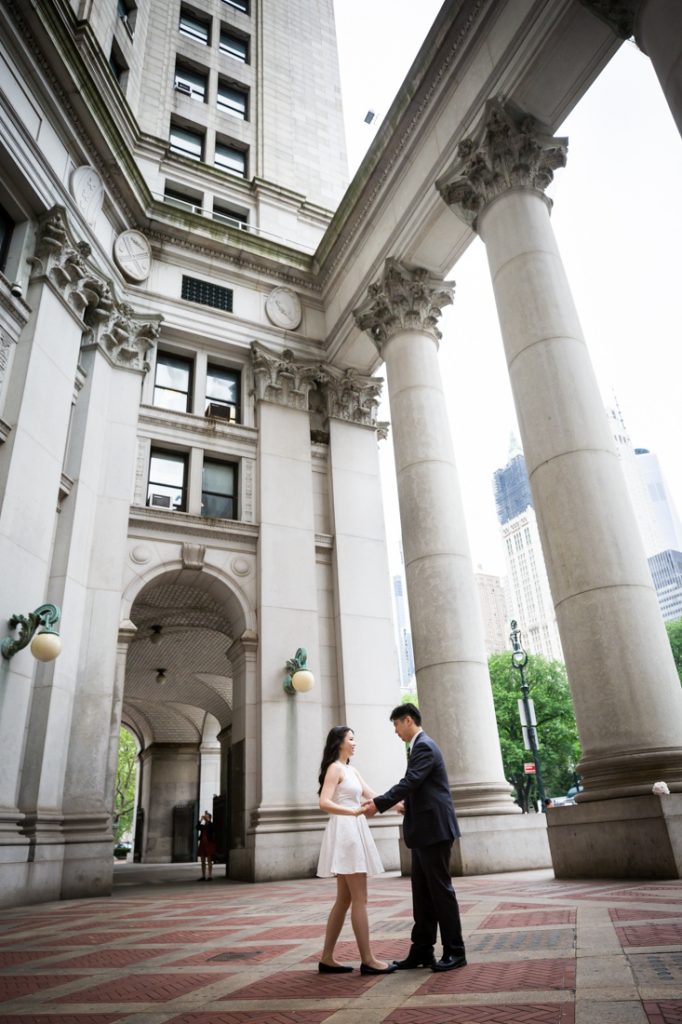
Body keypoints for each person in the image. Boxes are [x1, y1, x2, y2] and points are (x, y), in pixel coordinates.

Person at [362, 703, 466, 973]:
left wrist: (379, 803)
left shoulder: (424, 746)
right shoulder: (419, 747)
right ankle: (422, 951)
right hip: (424, 831)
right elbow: (419, 785)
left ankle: (456, 951)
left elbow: (411, 781)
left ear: (407, 720)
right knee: (422, 895)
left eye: (396, 725)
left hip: (434, 830)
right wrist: (409, 803)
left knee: (441, 892)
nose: (396, 731)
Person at [316, 725, 398, 976]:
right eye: (351, 739)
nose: (355, 743)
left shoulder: (351, 769)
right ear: (339, 742)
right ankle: (368, 960)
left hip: (353, 829)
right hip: (346, 832)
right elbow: (324, 802)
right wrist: (352, 811)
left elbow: (371, 794)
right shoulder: (335, 768)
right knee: (359, 899)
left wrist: (397, 804)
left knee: (344, 899)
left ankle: (327, 958)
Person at [196, 810, 216, 881]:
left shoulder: (211, 825)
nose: (205, 817)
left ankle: (210, 875)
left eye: (207, 816)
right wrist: (200, 820)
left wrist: (208, 821)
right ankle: (203, 875)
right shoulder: (203, 826)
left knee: (209, 860)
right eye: (205, 817)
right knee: (202, 860)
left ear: (210, 818)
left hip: (209, 843)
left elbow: (212, 828)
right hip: (202, 843)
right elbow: (197, 827)